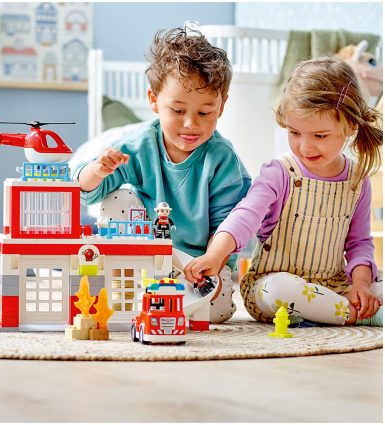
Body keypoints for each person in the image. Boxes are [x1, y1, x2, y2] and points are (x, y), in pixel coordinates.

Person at [184, 56, 383, 327]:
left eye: (320, 136)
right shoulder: (279, 172)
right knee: (278, 290)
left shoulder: (357, 180)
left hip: (334, 285)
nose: (305, 147)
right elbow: (245, 216)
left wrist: (361, 285)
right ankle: (356, 315)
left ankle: (344, 307)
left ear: (350, 126)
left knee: (377, 284)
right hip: (273, 286)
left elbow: (359, 243)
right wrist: (215, 255)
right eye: (294, 132)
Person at [73, 26, 252, 323]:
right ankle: (129, 285)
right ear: (154, 100)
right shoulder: (137, 145)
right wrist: (98, 170)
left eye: (204, 113)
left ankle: (176, 300)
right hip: (146, 258)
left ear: (221, 106)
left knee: (214, 313)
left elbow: (227, 227)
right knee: (117, 197)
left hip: (200, 264)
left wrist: (212, 266)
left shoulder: (222, 159)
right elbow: (84, 190)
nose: (190, 124)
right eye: (178, 111)